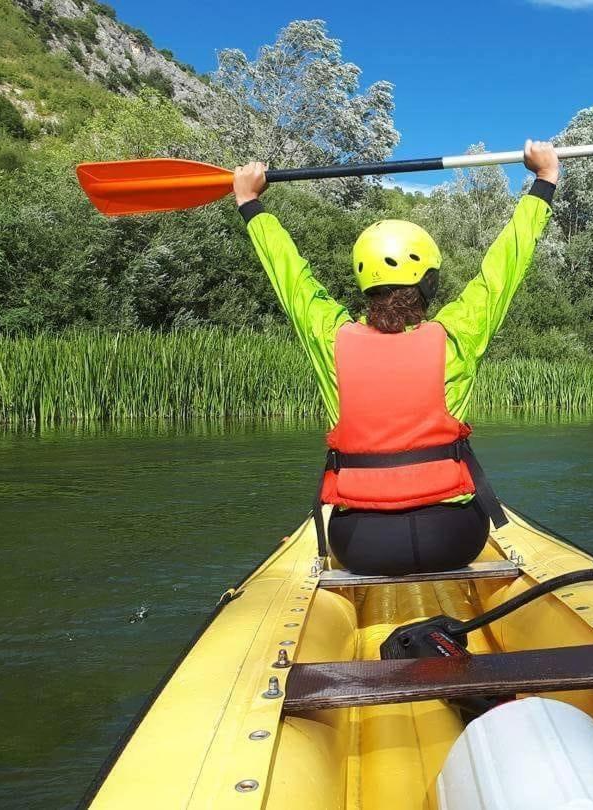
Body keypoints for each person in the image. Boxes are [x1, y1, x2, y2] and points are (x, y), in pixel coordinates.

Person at [234, 141, 560, 576]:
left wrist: (249, 202)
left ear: (364, 281)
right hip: (455, 537)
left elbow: (290, 276)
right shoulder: (456, 336)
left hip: (363, 543)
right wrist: (544, 181)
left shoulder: (332, 339)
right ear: (429, 282)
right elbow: (503, 267)